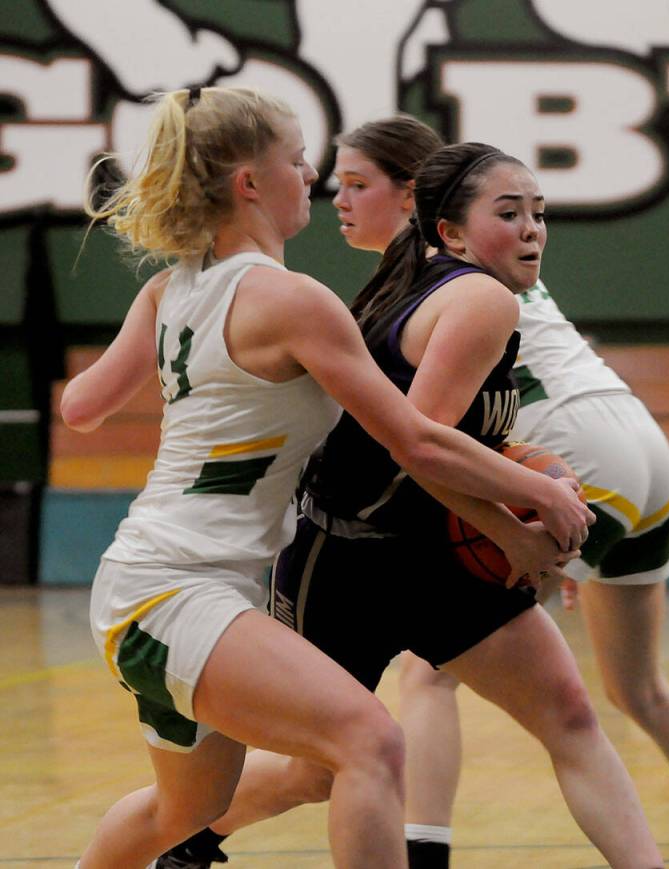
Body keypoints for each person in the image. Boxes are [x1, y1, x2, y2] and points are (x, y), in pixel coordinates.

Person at [65, 88, 593, 869]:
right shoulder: (293, 300)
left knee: (188, 807)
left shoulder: (168, 290)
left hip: (151, 580)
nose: (311, 174)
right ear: (250, 182)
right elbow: (416, 438)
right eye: (297, 158)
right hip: (180, 587)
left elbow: (80, 407)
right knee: (370, 740)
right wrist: (542, 494)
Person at [158, 134, 666, 869]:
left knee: (571, 716)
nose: (531, 229)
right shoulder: (479, 298)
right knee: (317, 770)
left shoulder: (446, 289)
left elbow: (458, 444)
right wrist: (521, 523)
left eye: (539, 212)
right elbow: (416, 446)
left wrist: (533, 481)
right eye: (510, 212)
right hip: (348, 561)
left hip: (438, 551)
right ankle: (185, 835)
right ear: (451, 232)